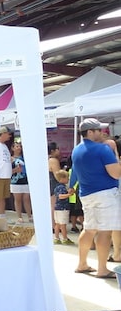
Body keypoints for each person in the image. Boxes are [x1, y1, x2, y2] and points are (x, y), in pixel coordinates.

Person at [69, 118, 121, 278]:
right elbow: (116, 173)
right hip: (105, 194)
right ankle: (102, 269)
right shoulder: (103, 150)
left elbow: (75, 173)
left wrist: (71, 186)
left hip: (86, 194)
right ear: (90, 132)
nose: (102, 132)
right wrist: (117, 157)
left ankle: (82, 263)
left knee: (89, 229)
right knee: (104, 232)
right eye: (99, 130)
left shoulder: (76, 150)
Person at [10, 142, 32, 223]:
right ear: (13, 148)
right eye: (17, 146)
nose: (19, 148)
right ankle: (19, 216)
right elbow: (7, 171)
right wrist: (15, 170)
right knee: (18, 199)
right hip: (15, 181)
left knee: (27, 199)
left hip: (26, 180)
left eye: (20, 146)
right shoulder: (10, 158)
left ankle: (29, 215)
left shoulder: (25, 158)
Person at [52, 169, 74, 245]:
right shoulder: (62, 187)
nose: (68, 179)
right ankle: (65, 238)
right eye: (67, 178)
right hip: (63, 208)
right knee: (63, 224)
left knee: (57, 224)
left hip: (57, 208)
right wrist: (69, 195)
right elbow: (60, 196)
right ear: (62, 179)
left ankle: (56, 238)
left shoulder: (57, 187)